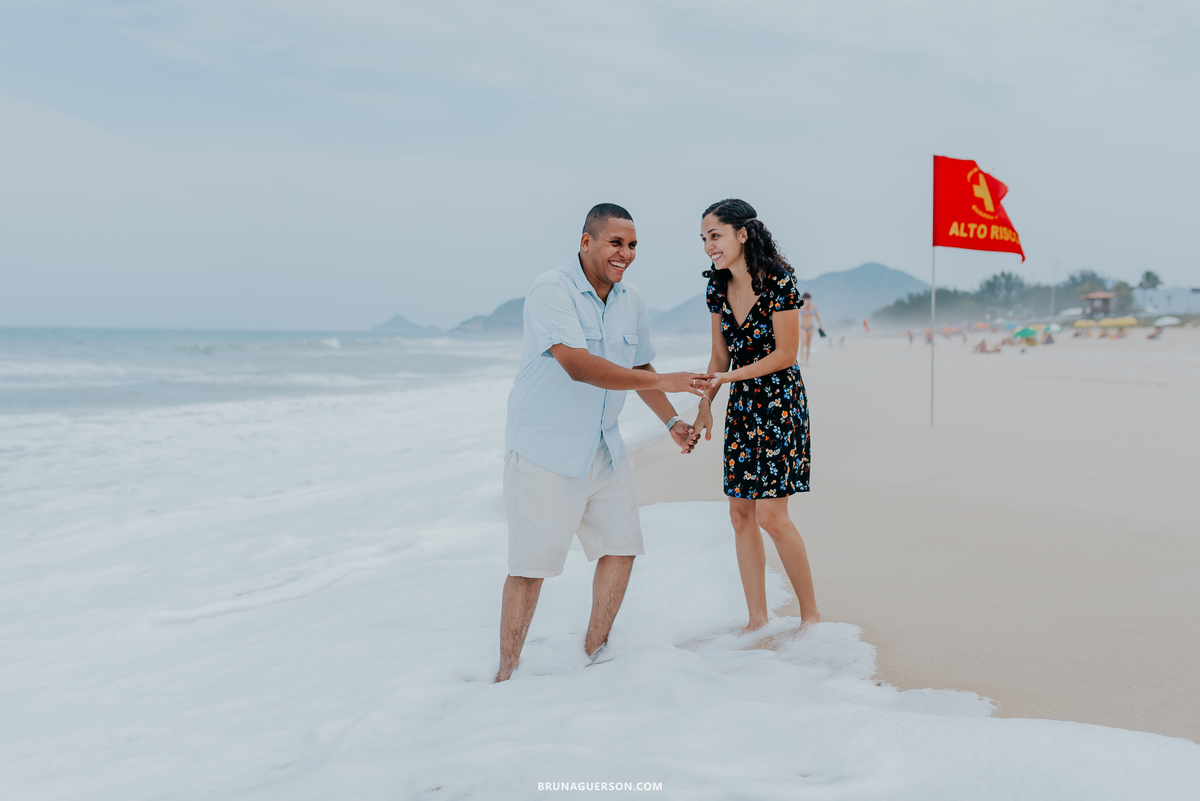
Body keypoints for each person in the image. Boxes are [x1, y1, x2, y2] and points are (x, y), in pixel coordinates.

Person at [497, 203, 712, 682]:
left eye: (633, 245)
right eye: (617, 243)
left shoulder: (630, 297)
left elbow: (640, 368)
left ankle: (591, 655)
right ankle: (505, 675)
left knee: (620, 547)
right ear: (586, 242)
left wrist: (671, 420)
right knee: (531, 567)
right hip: (544, 449)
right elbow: (578, 365)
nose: (626, 254)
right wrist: (676, 381)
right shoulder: (551, 290)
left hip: (605, 448)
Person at [691, 198, 821, 635]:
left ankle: (811, 618)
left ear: (742, 233)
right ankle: (757, 620)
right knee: (740, 514)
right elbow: (717, 356)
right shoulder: (716, 287)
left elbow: (786, 354)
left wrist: (731, 377)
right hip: (742, 406)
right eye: (704, 238)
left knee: (771, 516)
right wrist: (705, 404)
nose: (709, 245)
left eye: (716, 235)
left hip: (780, 403)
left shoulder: (779, 281)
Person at [798, 292, 823, 365]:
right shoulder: (802, 306)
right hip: (802, 327)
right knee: (803, 344)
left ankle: (807, 361)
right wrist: (805, 305)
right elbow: (798, 312)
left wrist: (820, 324)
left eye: (809, 299)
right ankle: (801, 360)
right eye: (807, 299)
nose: (809, 300)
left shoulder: (813, 306)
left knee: (808, 344)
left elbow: (817, 316)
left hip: (811, 327)